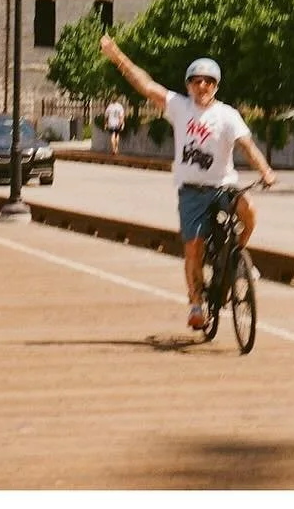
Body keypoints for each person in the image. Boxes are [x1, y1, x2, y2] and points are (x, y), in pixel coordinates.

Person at [100, 34, 276, 332]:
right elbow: (146, 84)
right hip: (192, 191)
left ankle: (234, 260)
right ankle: (196, 305)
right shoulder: (179, 107)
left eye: (209, 81)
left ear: (216, 85)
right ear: (188, 85)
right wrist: (116, 55)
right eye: (196, 81)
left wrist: (266, 170)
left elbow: (247, 145)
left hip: (223, 186)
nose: (202, 86)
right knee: (193, 247)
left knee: (250, 212)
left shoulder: (227, 114)